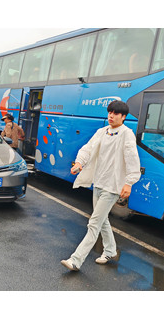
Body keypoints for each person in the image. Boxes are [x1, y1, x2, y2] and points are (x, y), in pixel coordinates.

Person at [61, 100, 141, 271]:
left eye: (115, 113)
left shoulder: (126, 134)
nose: (111, 116)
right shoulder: (102, 131)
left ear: (123, 117)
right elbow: (87, 149)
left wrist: (129, 182)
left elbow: (132, 158)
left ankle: (75, 260)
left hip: (113, 186)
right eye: (109, 112)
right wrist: (79, 163)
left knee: (94, 223)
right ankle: (111, 250)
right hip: (99, 183)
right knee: (102, 220)